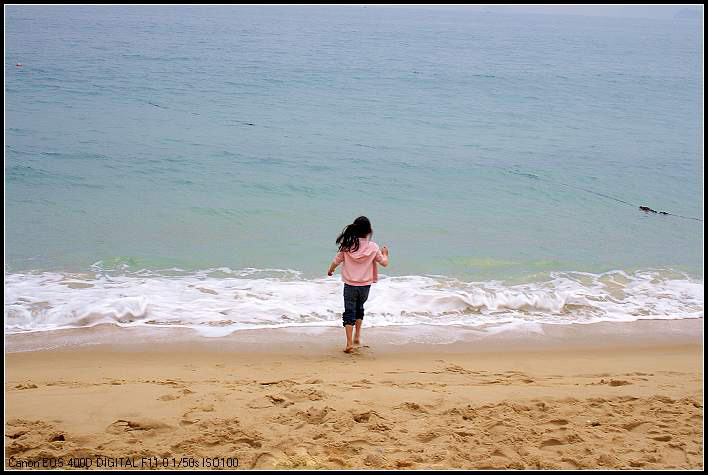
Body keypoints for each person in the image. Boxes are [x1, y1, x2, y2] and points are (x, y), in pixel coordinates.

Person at [327, 216, 389, 353]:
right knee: (359, 308)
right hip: (365, 285)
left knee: (349, 312)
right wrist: (385, 254)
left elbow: (336, 261)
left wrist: (330, 270)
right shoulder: (373, 247)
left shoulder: (347, 245)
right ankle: (357, 336)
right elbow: (384, 263)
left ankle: (349, 343)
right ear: (369, 231)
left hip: (350, 285)